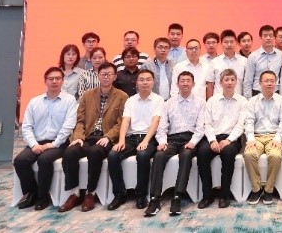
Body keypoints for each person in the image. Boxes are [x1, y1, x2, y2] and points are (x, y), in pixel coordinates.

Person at [59, 63, 127, 212]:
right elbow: (80, 120)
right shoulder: (87, 95)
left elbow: (122, 122)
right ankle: (75, 193)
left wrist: (109, 137)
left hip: (107, 137)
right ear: (98, 76)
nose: (106, 77)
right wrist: (78, 137)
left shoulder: (122, 96)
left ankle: (91, 193)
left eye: (109, 74)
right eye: (103, 74)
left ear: (115, 76)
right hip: (88, 136)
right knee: (70, 152)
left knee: (95, 152)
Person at [14, 67, 77, 210]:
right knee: (20, 161)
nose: (54, 81)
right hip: (37, 142)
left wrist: (54, 144)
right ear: (45, 81)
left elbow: (68, 126)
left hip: (59, 143)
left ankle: (43, 197)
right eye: (51, 79)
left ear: (62, 81)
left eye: (58, 78)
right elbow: (27, 126)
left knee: (44, 159)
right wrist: (33, 144)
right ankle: (31, 193)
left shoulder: (69, 100)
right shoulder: (35, 102)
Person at [145, 71, 206, 217]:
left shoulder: (201, 102)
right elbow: (162, 127)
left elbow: (201, 128)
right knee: (159, 155)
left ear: (193, 84)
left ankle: (177, 196)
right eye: (182, 81)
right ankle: (154, 198)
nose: (185, 83)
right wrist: (162, 142)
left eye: (188, 81)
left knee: (186, 155)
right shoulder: (168, 103)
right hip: (171, 139)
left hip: (190, 139)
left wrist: (193, 142)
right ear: (177, 84)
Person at [106, 69, 163, 210]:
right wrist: (121, 141)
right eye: (141, 80)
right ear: (136, 82)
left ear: (153, 82)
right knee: (113, 155)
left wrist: (145, 141)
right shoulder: (131, 100)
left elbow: (155, 122)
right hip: (131, 137)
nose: (145, 82)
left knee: (142, 155)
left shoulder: (158, 100)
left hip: (149, 137)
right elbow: (125, 121)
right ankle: (119, 194)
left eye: (148, 79)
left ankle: (141, 194)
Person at [197, 69, 247, 209]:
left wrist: (229, 140)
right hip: (213, 137)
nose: (229, 82)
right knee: (202, 153)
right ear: (220, 82)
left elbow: (241, 125)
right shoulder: (212, 101)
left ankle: (225, 195)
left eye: (232, 79)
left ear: (236, 82)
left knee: (228, 153)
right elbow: (207, 123)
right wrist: (212, 140)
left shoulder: (242, 101)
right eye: (226, 80)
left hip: (232, 139)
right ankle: (207, 195)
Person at [243, 70, 282, 205]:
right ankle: (256, 189)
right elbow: (249, 121)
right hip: (256, 137)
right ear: (260, 83)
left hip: (274, 136)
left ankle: (269, 190)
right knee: (249, 154)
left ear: (276, 83)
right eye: (266, 81)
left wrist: (278, 138)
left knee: (275, 155)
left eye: (272, 81)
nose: (269, 84)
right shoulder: (252, 101)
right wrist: (250, 138)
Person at [243, 25, 282, 98]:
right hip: (257, 93)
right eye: (265, 35)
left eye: (270, 35)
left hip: (275, 93)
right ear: (260, 37)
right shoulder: (253, 56)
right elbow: (248, 81)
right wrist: (248, 99)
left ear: (274, 37)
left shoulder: (281, 55)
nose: (268, 38)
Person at [206, 29, 248, 98]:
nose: (229, 45)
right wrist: (209, 101)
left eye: (231, 42)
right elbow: (210, 84)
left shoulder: (244, 61)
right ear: (221, 43)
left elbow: (247, 84)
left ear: (236, 43)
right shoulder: (214, 62)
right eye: (226, 42)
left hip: (238, 100)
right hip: (218, 100)